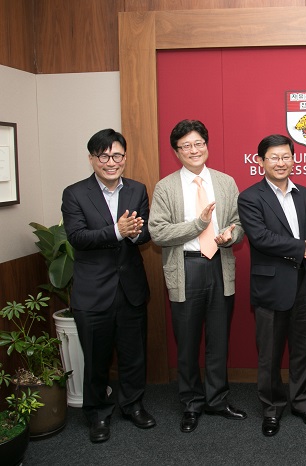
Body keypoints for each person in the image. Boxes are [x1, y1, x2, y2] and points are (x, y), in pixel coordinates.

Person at [149, 119, 246, 434]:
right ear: (176, 152)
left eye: (198, 143)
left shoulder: (225, 182)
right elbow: (158, 232)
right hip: (186, 268)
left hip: (219, 266)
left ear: (207, 145)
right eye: (186, 146)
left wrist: (231, 235)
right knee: (188, 343)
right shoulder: (166, 187)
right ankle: (191, 403)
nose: (194, 150)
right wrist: (198, 224)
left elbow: (239, 222)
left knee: (218, 340)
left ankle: (217, 400)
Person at [61, 128, 155, 443]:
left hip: (130, 288)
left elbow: (144, 232)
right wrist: (117, 231)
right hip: (93, 292)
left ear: (124, 158)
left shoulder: (137, 189)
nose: (111, 162)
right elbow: (77, 237)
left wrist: (135, 233)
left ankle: (133, 405)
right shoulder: (75, 193)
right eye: (104, 156)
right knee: (96, 359)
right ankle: (98, 414)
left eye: (117, 155)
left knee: (133, 355)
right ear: (92, 159)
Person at [238, 134, 306, 437]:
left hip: (303, 282)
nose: (280, 162)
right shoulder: (250, 197)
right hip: (271, 286)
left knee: (303, 350)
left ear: (293, 159)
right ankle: (272, 408)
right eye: (273, 157)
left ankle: (302, 403)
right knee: (270, 354)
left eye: (286, 156)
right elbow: (261, 238)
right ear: (260, 161)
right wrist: (302, 248)